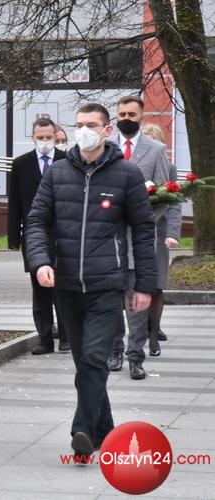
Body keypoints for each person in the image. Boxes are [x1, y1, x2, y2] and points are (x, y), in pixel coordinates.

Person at [25, 102, 156, 458]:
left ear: (106, 130)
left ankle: (81, 429)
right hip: (66, 284)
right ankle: (104, 430)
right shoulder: (58, 172)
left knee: (95, 358)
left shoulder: (126, 174)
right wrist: (40, 261)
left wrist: (145, 284)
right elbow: (36, 221)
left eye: (92, 125)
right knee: (85, 361)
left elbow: (144, 231)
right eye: (79, 124)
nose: (84, 131)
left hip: (106, 285)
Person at [107, 95, 173, 380]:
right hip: (108, 239)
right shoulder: (105, 147)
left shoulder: (156, 150)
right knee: (112, 301)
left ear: (141, 116)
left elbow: (165, 195)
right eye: (122, 114)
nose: (126, 119)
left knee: (137, 302)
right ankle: (113, 350)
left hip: (139, 238)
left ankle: (135, 356)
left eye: (131, 115)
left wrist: (143, 220)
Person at [8, 117, 69, 354]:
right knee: (40, 288)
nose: (44, 141)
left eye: (48, 137)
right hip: (35, 234)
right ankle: (44, 339)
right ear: (33, 138)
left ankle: (66, 337)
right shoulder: (21, 164)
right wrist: (14, 238)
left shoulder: (67, 160)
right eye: (40, 137)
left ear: (55, 137)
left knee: (63, 287)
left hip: (64, 234)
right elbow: (15, 202)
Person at [140, 123, 181, 354]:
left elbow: (174, 203)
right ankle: (138, 332)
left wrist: (172, 233)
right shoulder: (129, 166)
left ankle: (154, 333)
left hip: (158, 233)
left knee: (156, 285)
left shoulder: (169, 168)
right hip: (135, 232)